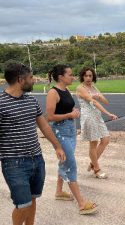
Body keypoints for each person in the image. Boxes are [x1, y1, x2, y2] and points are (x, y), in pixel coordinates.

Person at [0, 63, 65, 225]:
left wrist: (57, 146)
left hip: (36, 158)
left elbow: (43, 125)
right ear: (20, 80)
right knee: (23, 205)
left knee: (33, 199)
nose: (33, 80)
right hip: (14, 163)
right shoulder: (1, 103)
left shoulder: (31, 101)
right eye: (30, 77)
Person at [46, 64, 97, 215]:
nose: (73, 77)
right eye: (70, 74)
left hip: (70, 130)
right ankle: (81, 203)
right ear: (61, 77)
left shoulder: (66, 90)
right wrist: (69, 115)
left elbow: (66, 108)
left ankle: (59, 192)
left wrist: (73, 112)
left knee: (64, 161)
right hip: (60, 132)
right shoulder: (53, 93)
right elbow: (49, 117)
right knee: (70, 165)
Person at [76, 67, 117, 179]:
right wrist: (108, 114)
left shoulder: (93, 87)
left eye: (90, 75)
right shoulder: (81, 88)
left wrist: (99, 96)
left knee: (106, 139)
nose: (88, 78)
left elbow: (105, 101)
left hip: (97, 116)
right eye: (86, 76)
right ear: (82, 77)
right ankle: (97, 170)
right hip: (88, 117)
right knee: (93, 143)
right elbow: (93, 102)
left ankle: (92, 163)